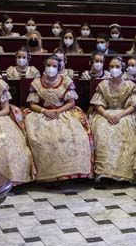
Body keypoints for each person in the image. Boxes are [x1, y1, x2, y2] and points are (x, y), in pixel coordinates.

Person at [24, 55, 93, 183]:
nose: (51, 68)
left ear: (59, 67)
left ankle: (70, 173)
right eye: (48, 65)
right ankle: (49, 175)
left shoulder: (66, 81)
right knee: (43, 138)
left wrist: (58, 111)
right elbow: (32, 104)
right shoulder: (37, 83)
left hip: (63, 112)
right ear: (44, 67)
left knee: (75, 136)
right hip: (42, 113)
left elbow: (71, 102)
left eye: (54, 66)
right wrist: (45, 111)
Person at [89, 57, 136, 183]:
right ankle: (102, 171)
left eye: (117, 67)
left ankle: (123, 171)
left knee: (124, 131)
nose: (114, 69)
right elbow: (98, 104)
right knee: (101, 131)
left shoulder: (130, 85)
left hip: (124, 114)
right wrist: (106, 115)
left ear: (122, 69)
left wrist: (120, 115)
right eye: (111, 67)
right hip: (105, 113)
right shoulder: (103, 84)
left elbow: (133, 105)